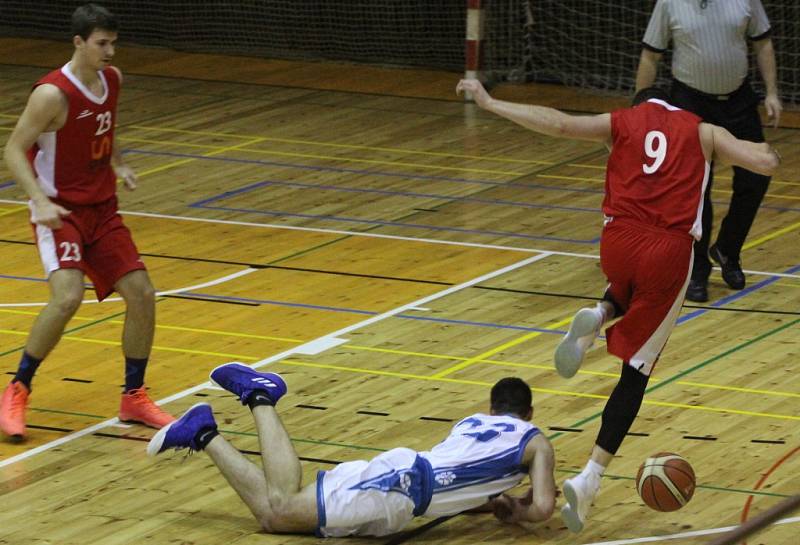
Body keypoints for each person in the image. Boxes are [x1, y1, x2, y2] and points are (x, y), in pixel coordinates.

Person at [454, 79, 780, 533]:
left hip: (617, 241)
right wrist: (754, 142)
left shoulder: (623, 121)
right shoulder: (702, 130)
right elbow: (763, 162)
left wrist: (489, 102)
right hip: (667, 250)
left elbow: (560, 123)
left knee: (629, 285)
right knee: (637, 371)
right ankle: (589, 479)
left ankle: (601, 315)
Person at [0, 3, 174, 439]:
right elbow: (12, 150)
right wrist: (37, 199)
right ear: (78, 42)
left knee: (143, 294)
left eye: (114, 42)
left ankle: (133, 396)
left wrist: (118, 163)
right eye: (102, 43)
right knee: (66, 297)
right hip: (60, 210)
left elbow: (106, 127)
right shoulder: (52, 94)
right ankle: (17, 387)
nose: (111, 51)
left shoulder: (112, 79)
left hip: (103, 209)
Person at [148, 363, 556, 536]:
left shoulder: (472, 423)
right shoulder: (535, 440)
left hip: (405, 481)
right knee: (284, 506)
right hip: (402, 488)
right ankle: (260, 397)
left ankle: (204, 434)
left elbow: (459, 487)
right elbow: (541, 509)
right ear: (529, 412)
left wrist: (495, 502)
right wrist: (515, 509)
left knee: (274, 516)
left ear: (492, 408)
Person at [634, 0, 782, 302]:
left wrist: (772, 93)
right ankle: (697, 269)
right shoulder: (670, 3)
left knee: (757, 176)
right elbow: (651, 56)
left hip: (738, 101)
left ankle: (727, 248)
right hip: (690, 101)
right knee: (696, 188)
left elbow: (763, 42)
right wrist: (639, 112)